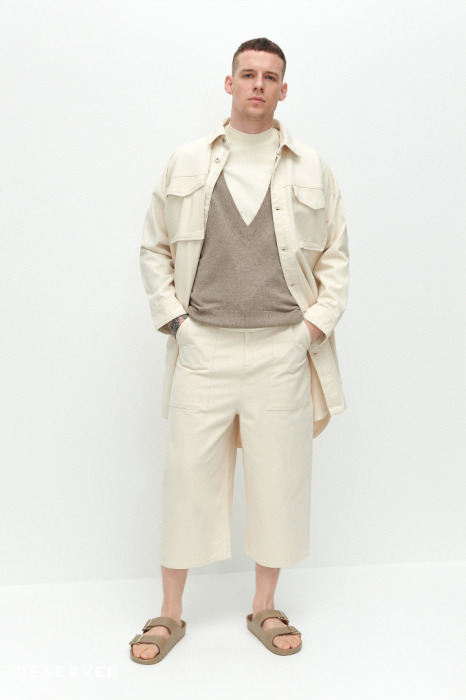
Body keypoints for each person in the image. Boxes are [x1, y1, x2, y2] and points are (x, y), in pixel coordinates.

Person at [129, 37, 349, 664]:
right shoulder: (186, 161)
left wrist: (307, 333)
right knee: (186, 481)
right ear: (229, 84)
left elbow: (336, 257)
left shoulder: (312, 168)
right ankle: (169, 613)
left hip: (282, 348)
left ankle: (265, 606)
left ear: (284, 90)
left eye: (269, 77)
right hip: (203, 347)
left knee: (279, 481)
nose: (258, 84)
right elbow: (154, 247)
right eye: (247, 74)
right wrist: (178, 322)